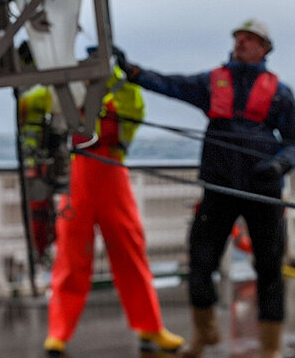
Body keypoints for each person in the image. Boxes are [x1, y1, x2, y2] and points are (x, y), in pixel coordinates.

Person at [118, 19, 295, 358]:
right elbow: (171, 84)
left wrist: (279, 165)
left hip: (263, 190)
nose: (241, 42)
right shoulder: (212, 83)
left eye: (250, 39)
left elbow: (293, 143)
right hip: (218, 187)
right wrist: (134, 72)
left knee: (270, 269)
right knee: (200, 261)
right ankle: (205, 334)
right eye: (239, 37)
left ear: (264, 49)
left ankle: (270, 348)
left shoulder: (281, 93)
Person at [19, 62, 184, 357]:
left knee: (131, 251)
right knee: (70, 257)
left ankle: (150, 325)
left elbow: (134, 107)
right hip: (77, 173)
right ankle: (58, 332)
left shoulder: (123, 94)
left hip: (112, 172)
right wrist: (41, 73)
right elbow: (30, 102)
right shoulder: (64, 94)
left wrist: (116, 74)